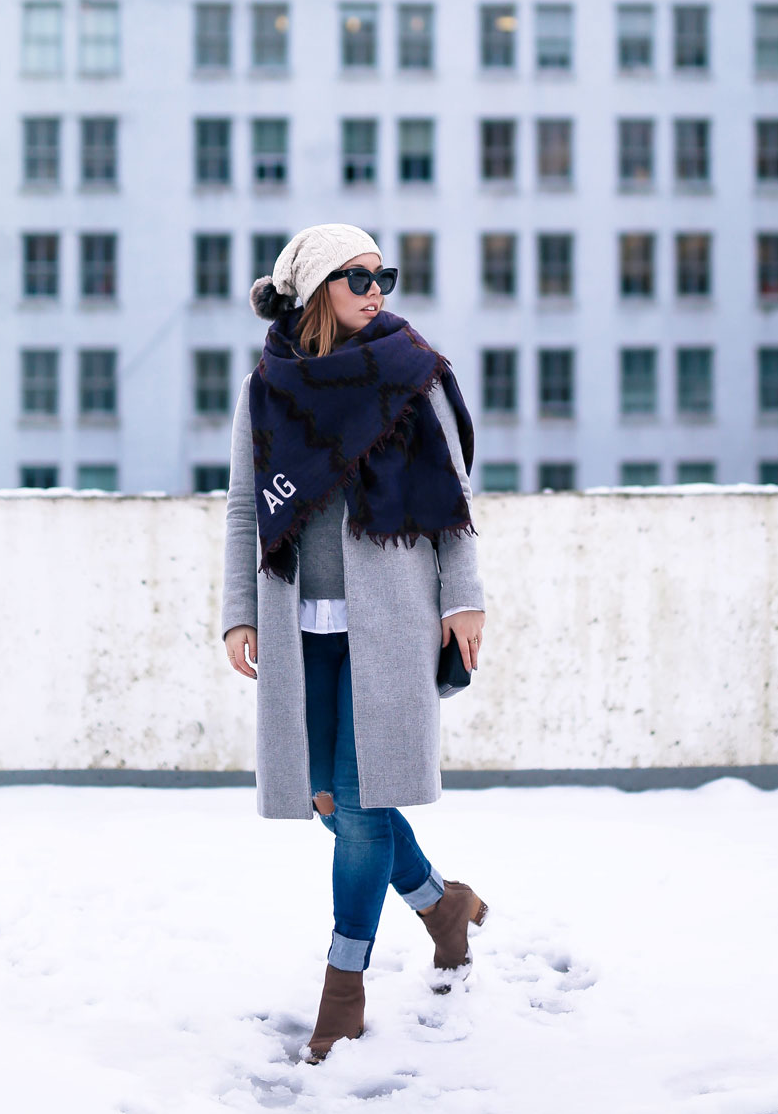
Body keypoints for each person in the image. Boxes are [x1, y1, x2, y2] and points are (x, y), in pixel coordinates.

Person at [220, 222, 489, 1064]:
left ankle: (343, 987)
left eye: (384, 276)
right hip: (301, 629)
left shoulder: (414, 376)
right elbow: (242, 507)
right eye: (357, 277)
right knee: (333, 802)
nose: (378, 291)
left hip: (393, 622)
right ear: (314, 293)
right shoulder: (268, 389)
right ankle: (442, 906)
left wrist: (465, 599)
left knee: (364, 804)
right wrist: (239, 611)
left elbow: (453, 496)